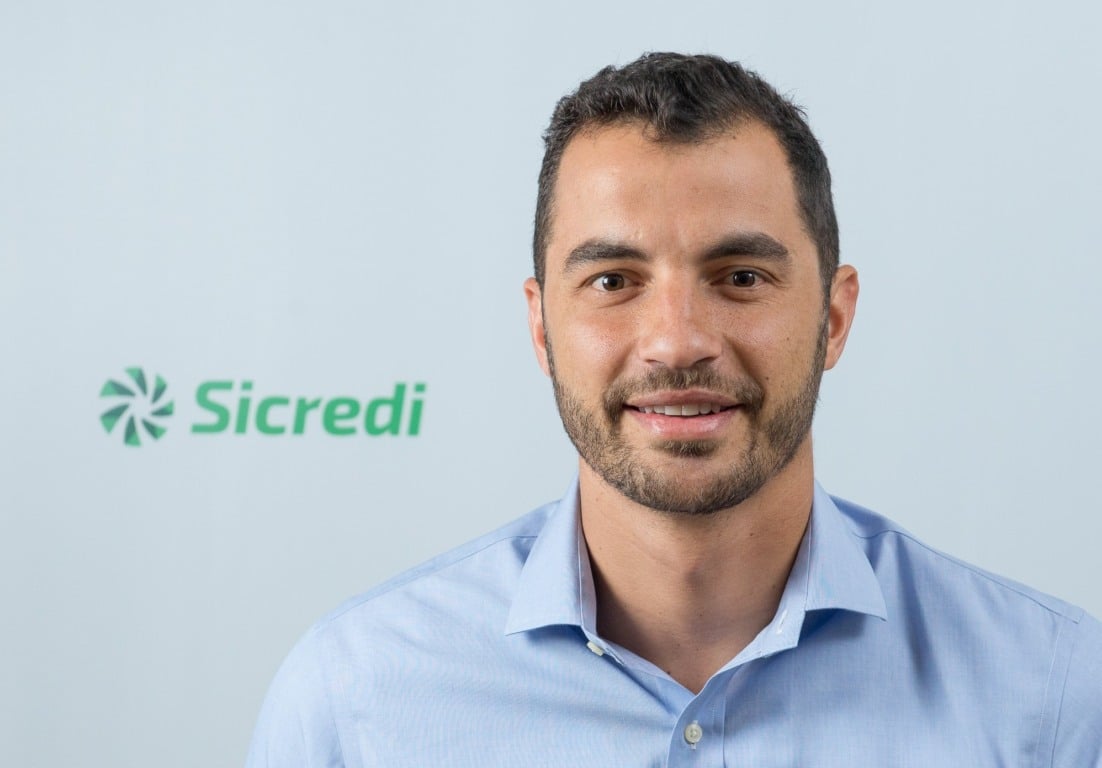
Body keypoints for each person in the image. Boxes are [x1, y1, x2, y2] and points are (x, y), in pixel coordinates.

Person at [246, 53, 1102, 766]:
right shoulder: (356, 698)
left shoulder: (1053, 693)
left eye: (741, 277)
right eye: (613, 281)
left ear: (834, 319)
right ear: (541, 328)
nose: (677, 342)